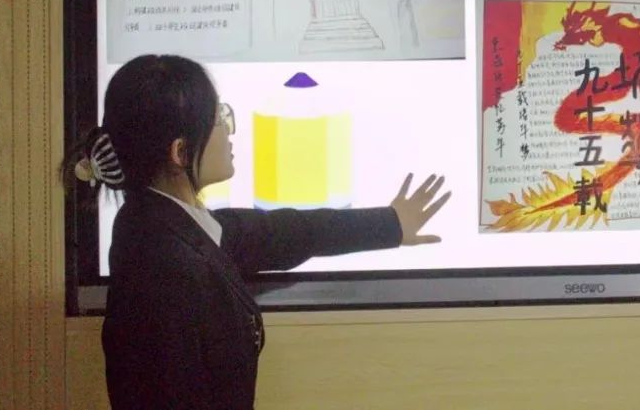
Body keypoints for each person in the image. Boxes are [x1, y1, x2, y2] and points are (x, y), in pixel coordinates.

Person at [60, 54, 450, 410]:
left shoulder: (159, 222)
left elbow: (283, 233)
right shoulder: (167, 267)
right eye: (218, 119)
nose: (229, 131)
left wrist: (390, 224)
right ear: (180, 153)